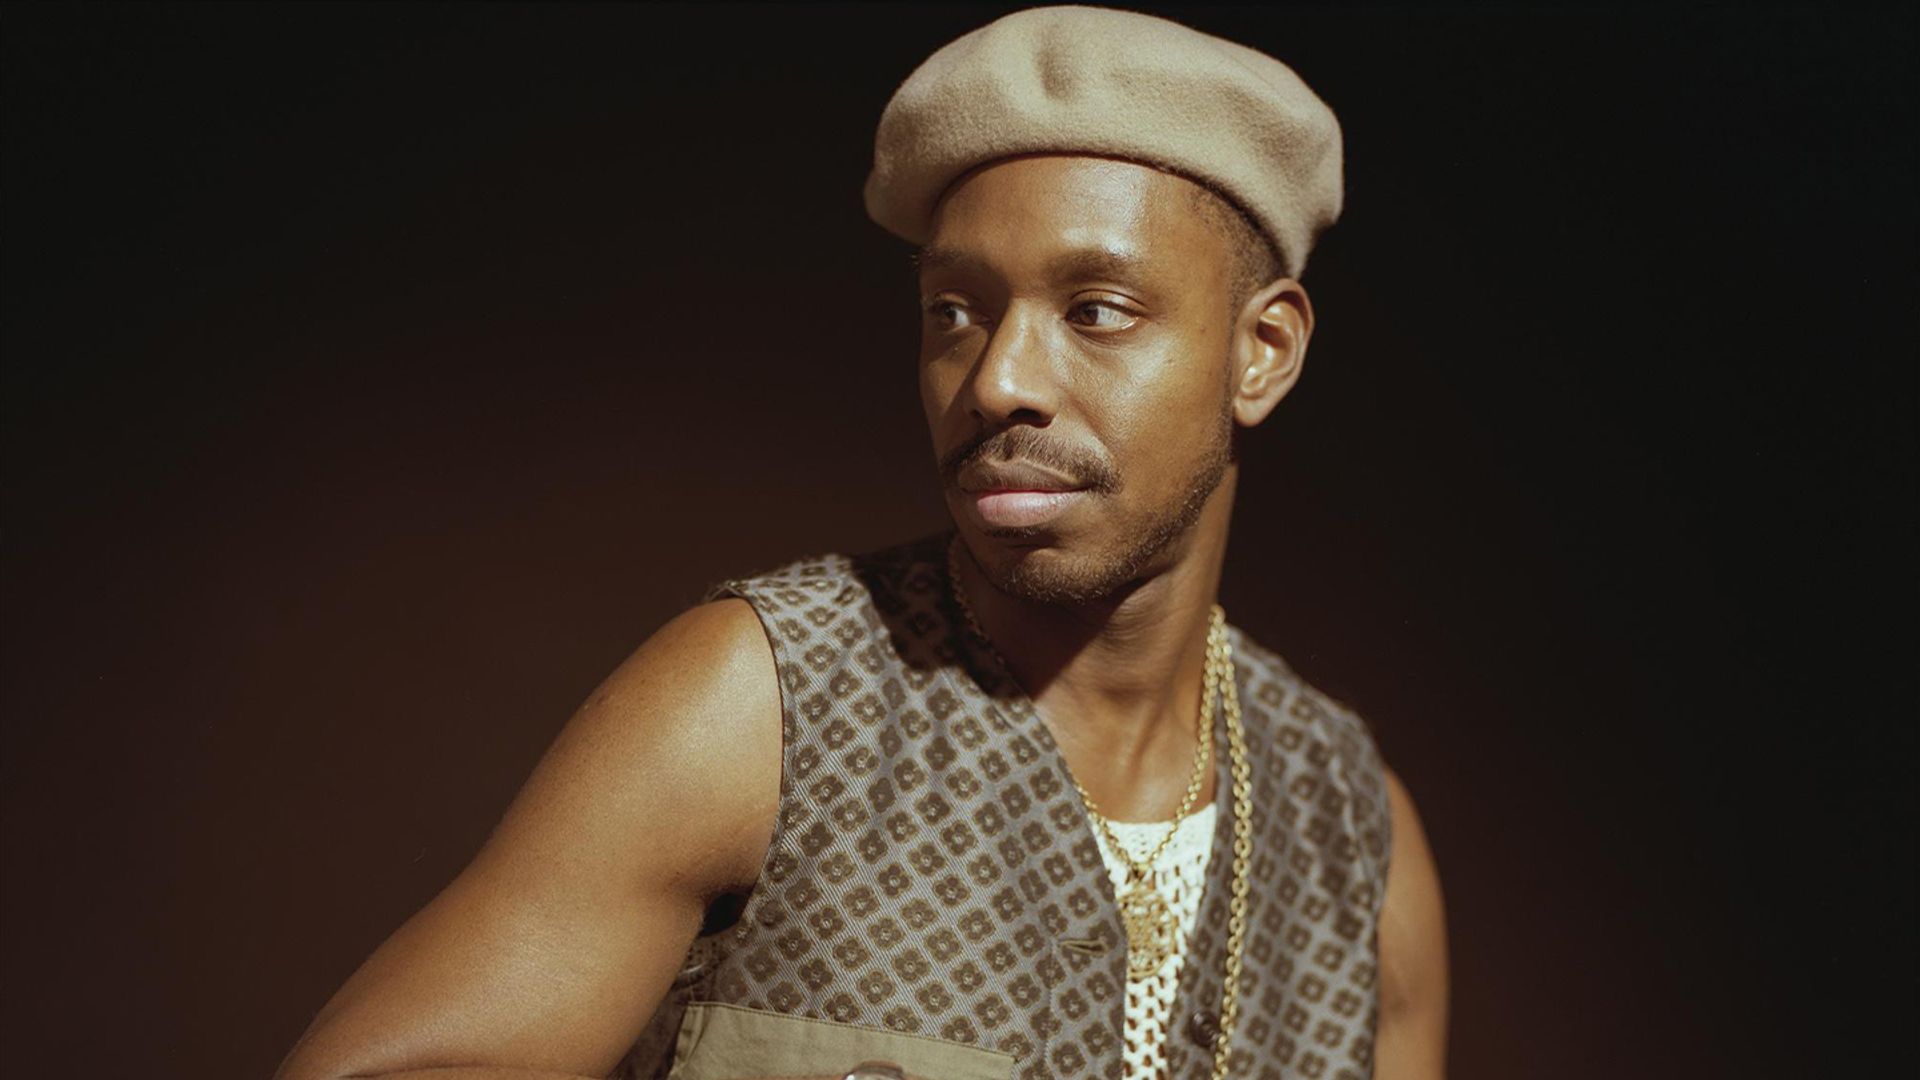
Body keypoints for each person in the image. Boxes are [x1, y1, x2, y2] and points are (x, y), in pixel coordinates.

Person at [275, 6, 1447, 1080]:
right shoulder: (764, 706)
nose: (998, 380)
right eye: (956, 312)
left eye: (1096, 311)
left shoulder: (1354, 836)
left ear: (1262, 353)